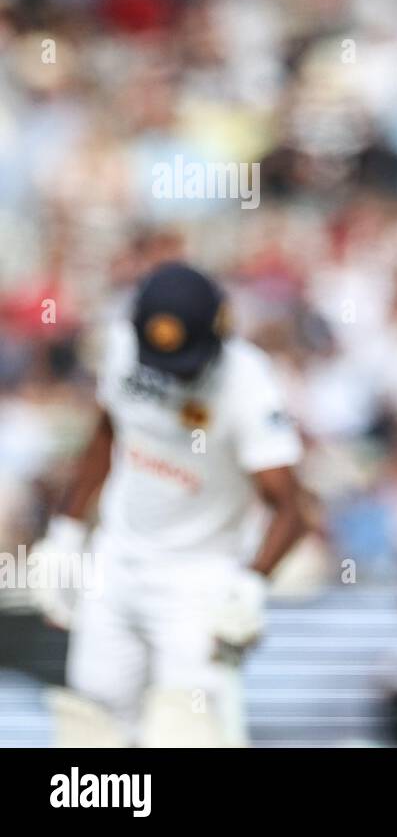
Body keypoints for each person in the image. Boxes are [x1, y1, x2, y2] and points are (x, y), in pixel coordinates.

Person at [28, 262, 308, 746]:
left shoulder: (248, 384)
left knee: (186, 728)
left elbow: (291, 510)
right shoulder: (122, 349)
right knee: (93, 722)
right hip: (117, 559)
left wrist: (250, 583)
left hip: (196, 579)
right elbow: (106, 434)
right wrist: (65, 534)